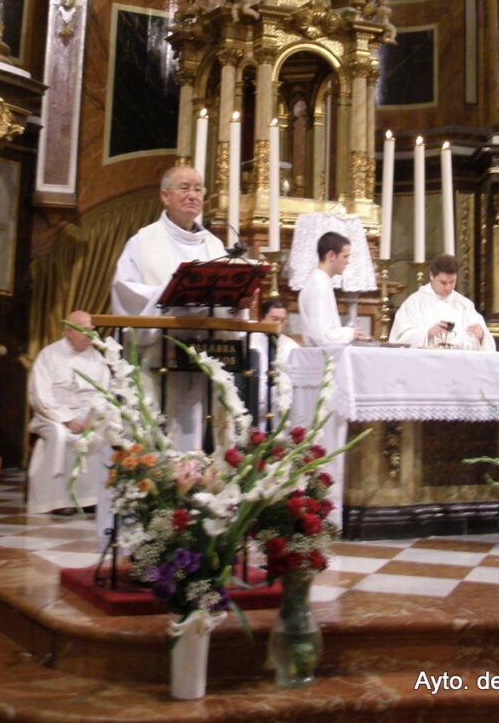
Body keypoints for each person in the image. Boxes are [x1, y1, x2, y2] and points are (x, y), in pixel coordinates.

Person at [112, 165, 227, 447]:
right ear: (165, 196)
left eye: (198, 189)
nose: (193, 195)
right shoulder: (142, 242)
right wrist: (171, 295)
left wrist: (236, 304)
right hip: (157, 358)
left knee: (198, 440)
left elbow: (228, 299)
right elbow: (125, 294)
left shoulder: (215, 246)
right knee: (157, 441)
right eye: (184, 188)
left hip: (204, 360)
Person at [27, 311, 109, 515]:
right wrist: (67, 419)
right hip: (53, 416)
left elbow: (105, 391)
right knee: (60, 435)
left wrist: (93, 416)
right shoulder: (49, 354)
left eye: (91, 330)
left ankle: (92, 498)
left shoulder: (97, 358)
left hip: (89, 414)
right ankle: (57, 500)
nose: (89, 335)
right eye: (83, 331)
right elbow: (40, 395)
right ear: (68, 331)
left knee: (105, 431)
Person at [389, 253, 496, 352]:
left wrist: (481, 335)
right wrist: (427, 333)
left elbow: (486, 342)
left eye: (452, 282)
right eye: (443, 282)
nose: (448, 287)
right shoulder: (414, 303)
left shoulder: (465, 305)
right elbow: (399, 338)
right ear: (432, 276)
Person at [297, 231, 366, 346]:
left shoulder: (321, 282)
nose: (347, 262)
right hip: (319, 360)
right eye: (345, 256)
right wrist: (350, 333)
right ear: (331, 255)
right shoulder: (318, 285)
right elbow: (322, 336)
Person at [250, 296, 299, 421]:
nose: (278, 324)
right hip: (252, 404)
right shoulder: (251, 340)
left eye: (282, 321)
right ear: (262, 318)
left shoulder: (291, 346)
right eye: (274, 319)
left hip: (278, 409)